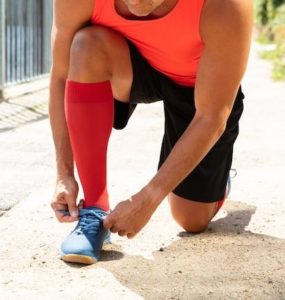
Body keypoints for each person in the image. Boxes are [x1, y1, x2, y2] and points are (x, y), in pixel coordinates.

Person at [49, 0, 253, 264]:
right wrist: (64, 174)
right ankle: (95, 210)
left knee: (191, 219)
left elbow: (212, 116)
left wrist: (149, 198)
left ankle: (219, 180)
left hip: (196, 84)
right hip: (130, 60)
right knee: (85, 45)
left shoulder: (225, 5)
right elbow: (61, 75)